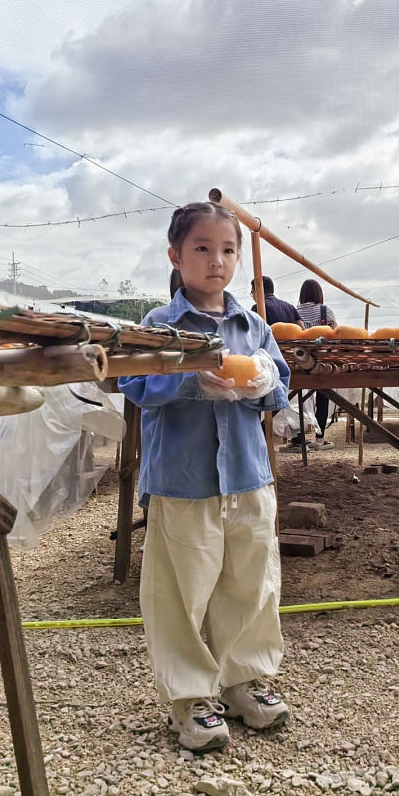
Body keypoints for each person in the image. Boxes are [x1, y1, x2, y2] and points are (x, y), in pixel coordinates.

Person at [118, 201, 291, 753]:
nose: (216, 261)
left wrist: (262, 384)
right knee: (180, 589)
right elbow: (134, 384)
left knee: (250, 581)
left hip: (246, 475)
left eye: (227, 250)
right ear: (175, 255)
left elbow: (280, 389)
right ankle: (191, 696)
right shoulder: (158, 326)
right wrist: (193, 381)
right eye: (202, 248)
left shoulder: (254, 326)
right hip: (183, 480)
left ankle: (243, 679)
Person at [297, 279, 336, 450]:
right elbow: (335, 333)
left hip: (299, 362)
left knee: (298, 399)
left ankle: (298, 437)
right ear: (319, 294)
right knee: (323, 397)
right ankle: (320, 439)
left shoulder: (294, 311)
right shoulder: (325, 311)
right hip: (321, 362)